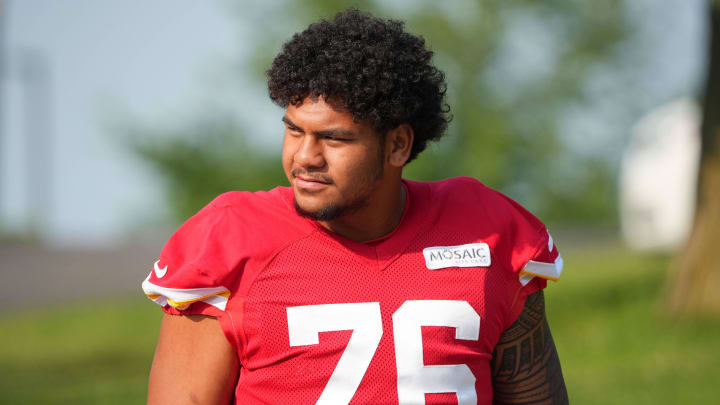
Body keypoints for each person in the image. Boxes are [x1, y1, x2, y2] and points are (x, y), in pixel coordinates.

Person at [142, 8, 568, 405]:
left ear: (398, 144)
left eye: (334, 138)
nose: (304, 157)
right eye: (294, 131)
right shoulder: (229, 239)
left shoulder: (488, 230)